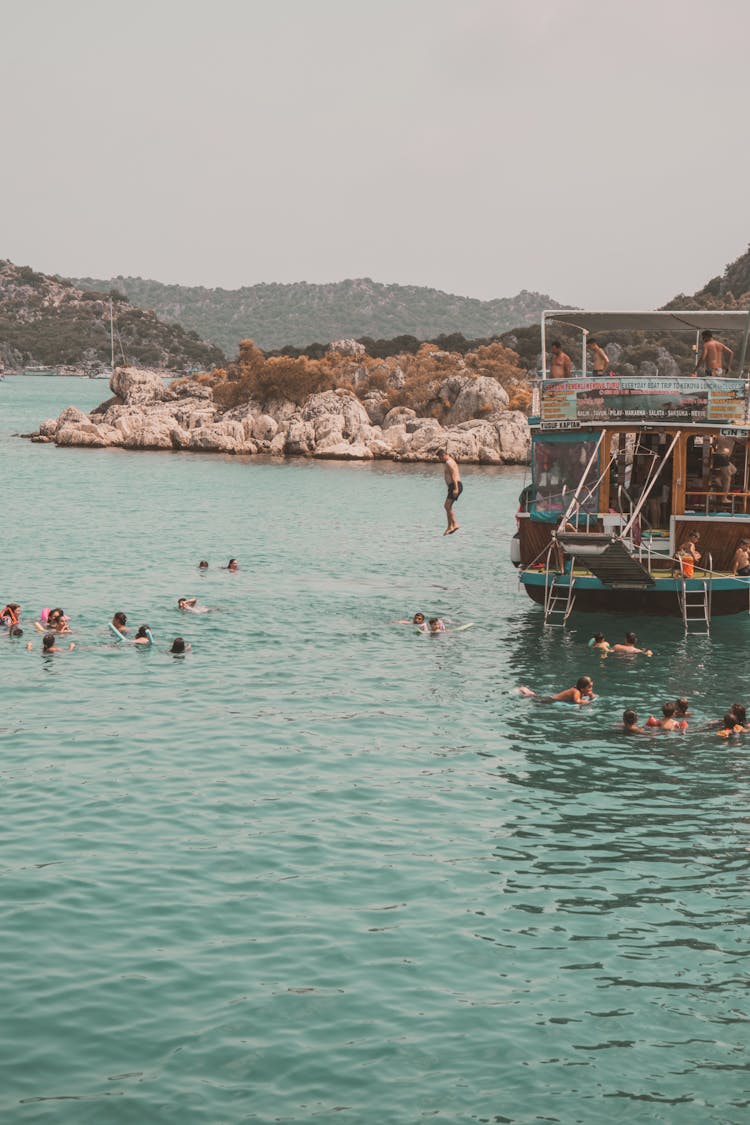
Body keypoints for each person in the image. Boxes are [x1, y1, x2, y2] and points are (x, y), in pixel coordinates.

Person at [519, 676, 596, 704]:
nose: (591, 689)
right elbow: (577, 701)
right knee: (535, 698)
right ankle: (525, 690)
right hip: (551, 700)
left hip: (553, 698)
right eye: (589, 687)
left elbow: (588, 695)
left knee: (536, 697)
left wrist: (591, 695)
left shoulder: (580, 690)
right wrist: (586, 702)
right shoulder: (576, 692)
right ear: (582, 688)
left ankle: (529, 692)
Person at [438, 449, 462, 535]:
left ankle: (454, 524)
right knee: (448, 507)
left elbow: (454, 475)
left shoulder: (449, 462)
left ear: (444, 455)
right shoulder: (450, 461)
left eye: (440, 458)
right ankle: (449, 526)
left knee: (447, 506)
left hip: (455, 486)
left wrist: (455, 488)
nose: (440, 460)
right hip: (452, 487)